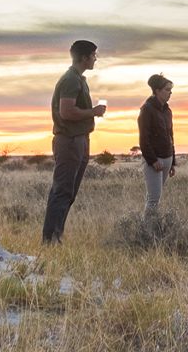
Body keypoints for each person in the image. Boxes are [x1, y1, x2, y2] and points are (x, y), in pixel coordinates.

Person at [42, 40, 107, 244]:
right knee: (62, 190)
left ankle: (55, 237)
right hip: (69, 141)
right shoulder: (70, 79)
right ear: (84, 57)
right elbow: (66, 111)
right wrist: (93, 112)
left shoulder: (79, 79)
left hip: (79, 139)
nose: (96, 58)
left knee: (69, 192)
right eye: (94, 55)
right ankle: (50, 240)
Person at [138, 73, 176, 217]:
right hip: (155, 161)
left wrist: (173, 162)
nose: (170, 93)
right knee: (154, 199)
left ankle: (147, 228)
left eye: (171, 90)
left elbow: (171, 136)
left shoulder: (167, 111)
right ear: (157, 91)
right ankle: (146, 232)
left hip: (167, 159)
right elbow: (144, 139)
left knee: (154, 197)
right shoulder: (147, 109)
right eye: (167, 90)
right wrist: (152, 160)